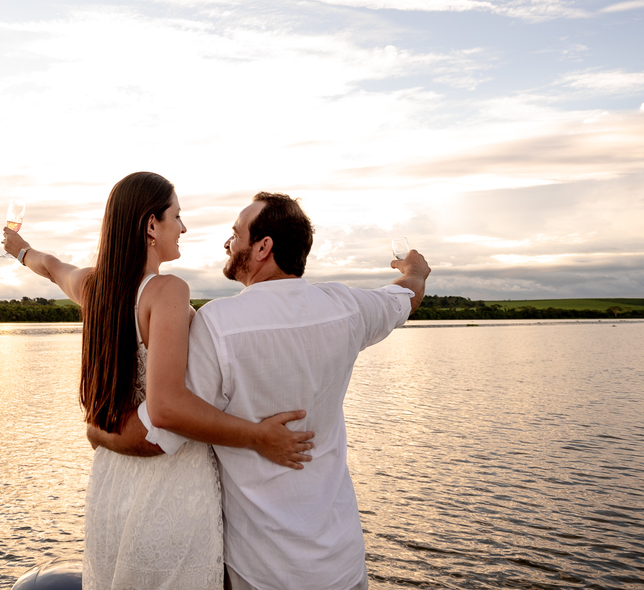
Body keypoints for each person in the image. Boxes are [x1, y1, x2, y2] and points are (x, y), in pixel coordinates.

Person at [1, 173, 314, 590]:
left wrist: (19, 250)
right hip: (170, 494)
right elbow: (168, 407)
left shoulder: (95, 287)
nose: (183, 228)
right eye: (177, 216)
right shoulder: (167, 290)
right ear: (151, 225)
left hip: (110, 488)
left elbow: (51, 267)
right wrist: (258, 436)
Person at [111, 192, 430, 590]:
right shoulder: (348, 307)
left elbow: (160, 431)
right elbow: (406, 296)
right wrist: (416, 268)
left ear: (263, 247)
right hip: (344, 566)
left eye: (236, 234)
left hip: (263, 573)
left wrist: (97, 432)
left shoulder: (217, 325)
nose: (227, 243)